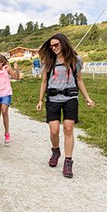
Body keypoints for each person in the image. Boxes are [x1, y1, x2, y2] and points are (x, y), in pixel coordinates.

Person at [36, 33, 95, 178]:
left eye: (56, 45)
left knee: (68, 129)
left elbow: (79, 80)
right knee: (54, 130)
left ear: (63, 43)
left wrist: (87, 98)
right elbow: (44, 82)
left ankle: (68, 161)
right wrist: (40, 100)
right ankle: (56, 151)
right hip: (53, 99)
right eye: (51, 46)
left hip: (70, 98)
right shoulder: (48, 61)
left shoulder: (75, 60)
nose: (54, 48)